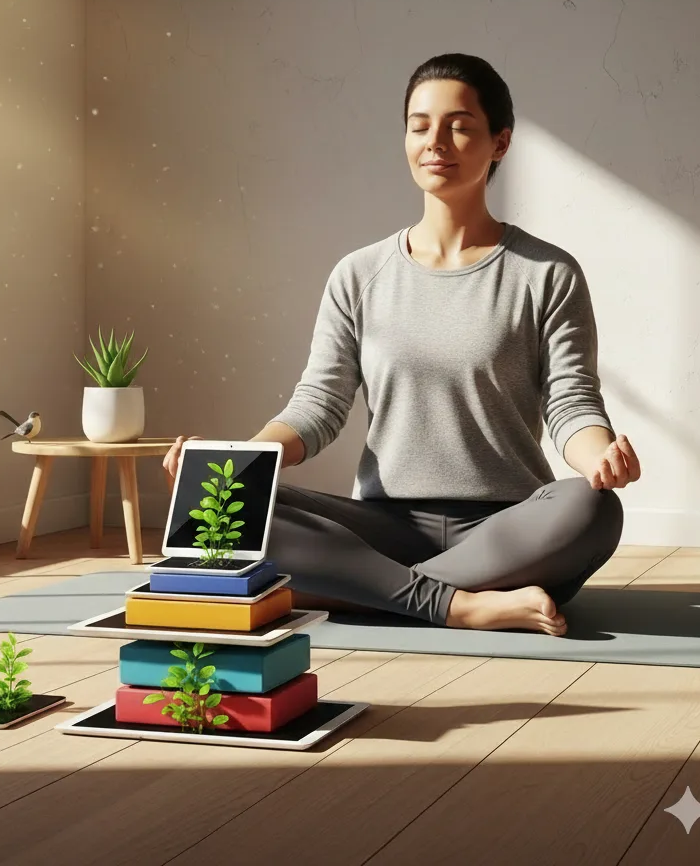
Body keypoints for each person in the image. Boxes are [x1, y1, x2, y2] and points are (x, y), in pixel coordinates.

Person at [163, 52, 641, 637]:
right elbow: (319, 403)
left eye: (460, 126)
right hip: (381, 524)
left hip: (509, 528)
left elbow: (571, 402)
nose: (436, 141)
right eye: (420, 126)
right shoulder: (358, 275)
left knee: (592, 510)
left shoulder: (547, 273)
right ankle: (459, 606)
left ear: (500, 142)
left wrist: (598, 458)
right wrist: (239, 463)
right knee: (215, 505)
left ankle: (370, 590)